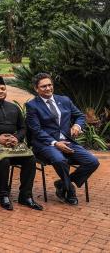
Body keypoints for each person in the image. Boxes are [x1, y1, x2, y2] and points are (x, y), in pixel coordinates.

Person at [26, 73, 99, 206]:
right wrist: (55, 143)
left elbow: (80, 116)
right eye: (43, 86)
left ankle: (62, 183)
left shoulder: (64, 100)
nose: (48, 88)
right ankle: (69, 191)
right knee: (60, 160)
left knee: (92, 161)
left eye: (50, 85)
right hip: (45, 144)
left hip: (67, 140)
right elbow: (36, 130)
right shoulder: (32, 106)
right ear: (36, 89)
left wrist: (77, 125)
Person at [0, 76, 42, 211]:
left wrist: (17, 138)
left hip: (12, 142)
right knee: (3, 159)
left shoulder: (14, 108)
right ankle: (3, 195)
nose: (0, 91)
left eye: (3, 89)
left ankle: (25, 196)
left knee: (30, 159)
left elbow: (23, 128)